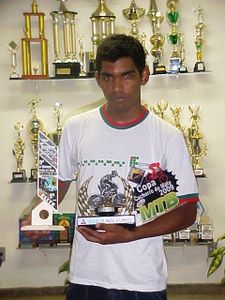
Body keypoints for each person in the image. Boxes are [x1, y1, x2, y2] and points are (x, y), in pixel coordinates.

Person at [23, 34, 199, 300]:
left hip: (142, 281)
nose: (116, 87)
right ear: (97, 79)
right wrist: (39, 214)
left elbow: (187, 211)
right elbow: (57, 182)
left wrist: (132, 235)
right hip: (86, 276)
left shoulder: (167, 137)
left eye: (126, 76)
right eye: (108, 77)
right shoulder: (76, 127)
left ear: (144, 75)